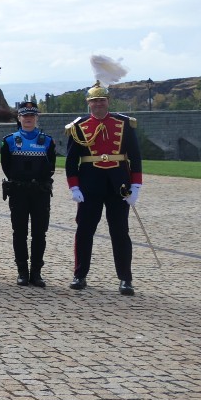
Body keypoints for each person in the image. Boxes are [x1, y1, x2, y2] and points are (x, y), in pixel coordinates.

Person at [65, 81, 143, 296]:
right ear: (88, 103)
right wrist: (74, 187)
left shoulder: (124, 123)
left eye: (102, 100)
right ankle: (80, 275)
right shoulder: (78, 127)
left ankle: (125, 278)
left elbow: (135, 156)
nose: (98, 104)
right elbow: (71, 161)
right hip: (89, 184)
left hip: (119, 184)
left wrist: (136, 185)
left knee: (120, 232)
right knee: (84, 231)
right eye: (94, 101)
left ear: (108, 101)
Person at [0, 101, 57, 287]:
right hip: (18, 192)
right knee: (19, 232)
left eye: (32, 116)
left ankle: (36, 272)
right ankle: (22, 271)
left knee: (39, 233)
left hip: (40, 192)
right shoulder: (9, 141)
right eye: (25, 116)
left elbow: (51, 167)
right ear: (19, 118)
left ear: (36, 118)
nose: (28, 119)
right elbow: (6, 166)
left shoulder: (47, 141)